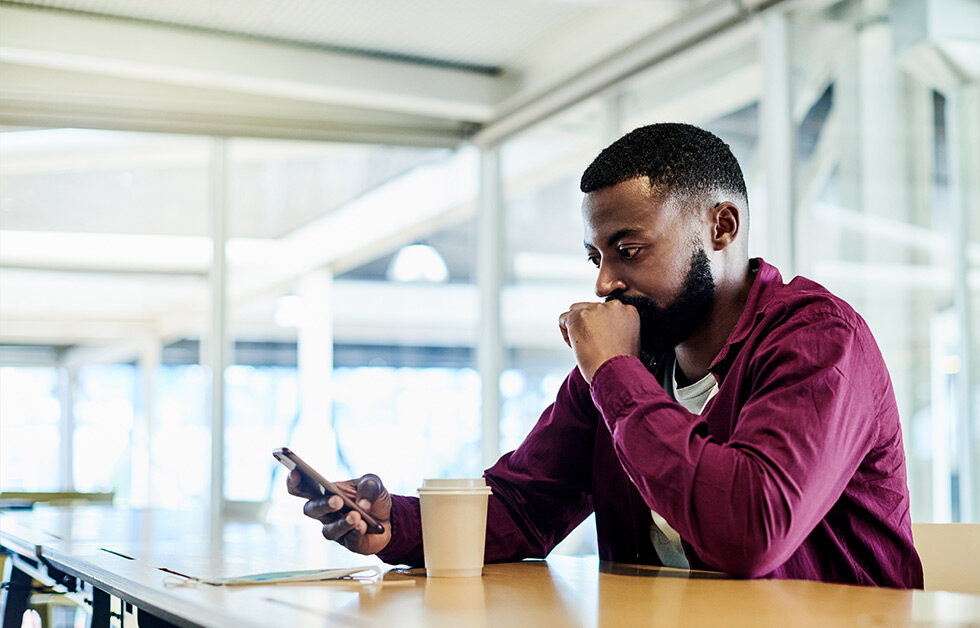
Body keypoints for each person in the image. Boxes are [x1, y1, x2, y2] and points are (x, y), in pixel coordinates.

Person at [289, 123, 923, 586]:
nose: (604, 283)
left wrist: (614, 375)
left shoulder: (817, 339)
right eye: (597, 256)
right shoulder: (632, 357)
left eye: (630, 249)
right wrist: (392, 522)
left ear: (721, 227)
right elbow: (525, 505)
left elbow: (752, 532)